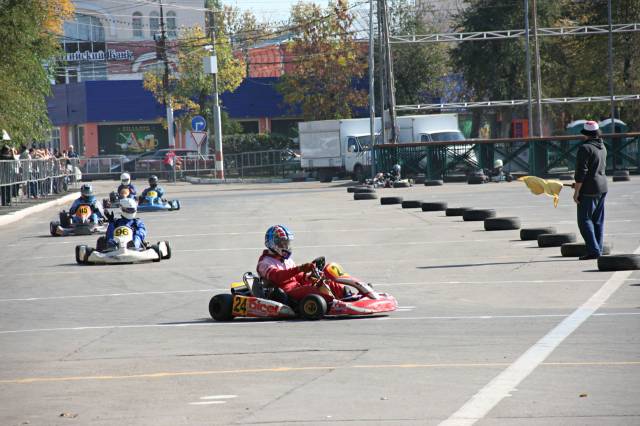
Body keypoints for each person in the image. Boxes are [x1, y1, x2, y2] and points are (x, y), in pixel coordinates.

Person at [256, 225, 347, 304]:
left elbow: (297, 277)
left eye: (287, 243)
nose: (286, 246)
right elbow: (277, 276)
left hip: (297, 287)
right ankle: (334, 304)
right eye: (283, 243)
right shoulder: (265, 262)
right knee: (313, 290)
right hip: (284, 293)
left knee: (328, 282)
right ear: (273, 244)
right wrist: (299, 269)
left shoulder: (286, 260)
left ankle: (348, 297)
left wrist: (309, 277)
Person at [573, 120, 608, 260]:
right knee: (598, 221)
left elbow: (581, 173)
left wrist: (577, 191)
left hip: (589, 189)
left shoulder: (585, 148)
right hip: (602, 187)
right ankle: (598, 249)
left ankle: (593, 250)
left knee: (584, 220)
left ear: (585, 133)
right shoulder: (602, 146)